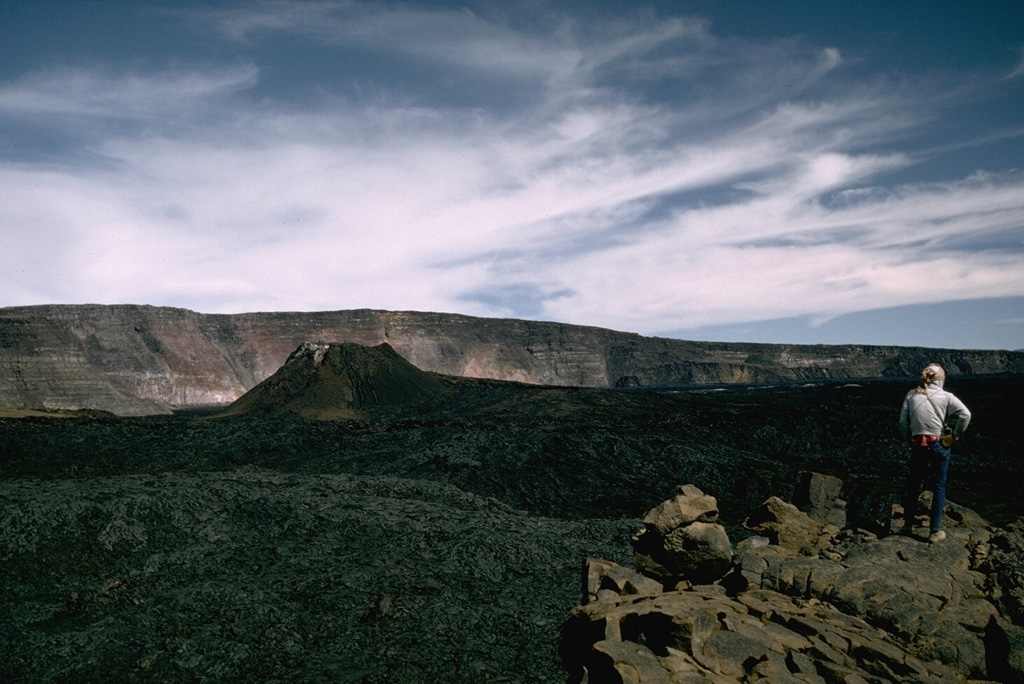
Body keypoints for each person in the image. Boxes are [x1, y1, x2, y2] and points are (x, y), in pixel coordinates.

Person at [898, 363, 971, 543]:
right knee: (939, 485)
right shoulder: (946, 396)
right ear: (940, 379)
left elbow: (902, 423)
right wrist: (955, 435)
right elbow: (965, 415)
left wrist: (910, 439)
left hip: (918, 444)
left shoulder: (911, 395)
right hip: (938, 443)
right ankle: (935, 531)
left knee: (915, 483)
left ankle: (907, 524)